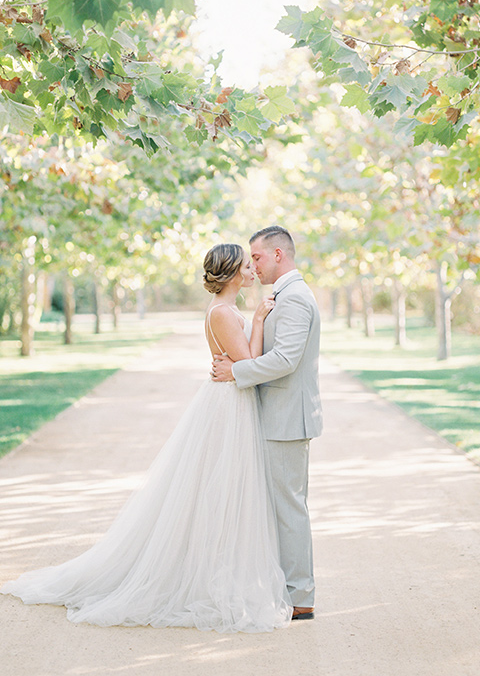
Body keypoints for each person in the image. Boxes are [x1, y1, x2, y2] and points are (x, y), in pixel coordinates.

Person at [0, 244, 292, 633]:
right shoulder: (223, 313)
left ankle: (218, 569)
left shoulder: (225, 310)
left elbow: (240, 364)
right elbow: (249, 363)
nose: (252, 270)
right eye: (246, 265)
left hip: (229, 399)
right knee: (220, 490)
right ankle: (206, 577)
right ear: (232, 274)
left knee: (224, 490)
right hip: (228, 405)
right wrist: (258, 321)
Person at [212, 226, 322, 620]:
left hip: (286, 420)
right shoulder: (286, 295)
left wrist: (237, 372)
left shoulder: (294, 298)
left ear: (279, 254)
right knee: (277, 508)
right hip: (276, 416)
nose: (252, 266)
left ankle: (300, 598)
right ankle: (286, 591)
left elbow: (285, 360)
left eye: (256, 258)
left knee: (288, 510)